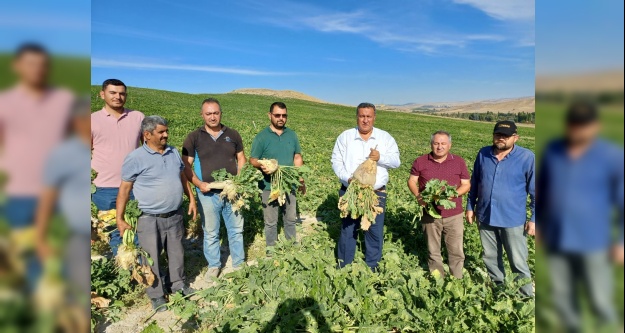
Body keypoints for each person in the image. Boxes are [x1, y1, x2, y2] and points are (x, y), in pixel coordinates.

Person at [537, 101, 623, 333]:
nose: (577, 130)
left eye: (583, 126)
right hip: (557, 237)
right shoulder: (554, 151)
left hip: (593, 240)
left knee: (600, 297)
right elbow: (542, 191)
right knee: (563, 297)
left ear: (595, 127)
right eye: (574, 125)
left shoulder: (612, 156)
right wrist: (539, 223)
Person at [0, 43, 74, 291]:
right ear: (17, 66)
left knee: (59, 251)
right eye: (31, 63)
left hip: (60, 193)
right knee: (25, 250)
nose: (37, 70)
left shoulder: (63, 100)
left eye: (43, 65)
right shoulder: (5, 102)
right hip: (20, 191)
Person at [116, 115, 197, 311]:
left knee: (177, 252)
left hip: (175, 214)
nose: (166, 135)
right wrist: (119, 218)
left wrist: (191, 198)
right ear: (147, 134)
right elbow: (125, 189)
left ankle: (178, 285)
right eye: (161, 132)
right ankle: (156, 294)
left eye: (166, 131)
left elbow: (182, 176)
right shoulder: (135, 158)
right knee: (151, 257)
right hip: (149, 218)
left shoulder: (173, 152)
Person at [35, 97, 91, 322]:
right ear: (76, 122)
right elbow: (47, 196)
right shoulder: (62, 153)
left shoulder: (99, 150)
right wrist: (41, 236)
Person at [466, 120, 535, 297]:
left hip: (512, 219)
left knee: (518, 261)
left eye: (506, 135)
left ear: (516, 137)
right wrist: (470, 206)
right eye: (498, 134)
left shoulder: (527, 157)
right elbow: (475, 183)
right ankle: (499, 292)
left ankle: (524, 297)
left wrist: (535, 219)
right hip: (485, 215)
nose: (501, 138)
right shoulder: (483, 153)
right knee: (490, 257)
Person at [182, 98, 246, 280]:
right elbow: (186, 165)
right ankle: (214, 266)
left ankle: (239, 263)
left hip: (232, 192)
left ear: (221, 113)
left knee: (236, 229)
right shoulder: (193, 137)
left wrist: (239, 179)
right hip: (208, 194)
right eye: (208, 113)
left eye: (216, 113)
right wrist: (198, 183)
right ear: (202, 115)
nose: (212, 117)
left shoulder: (232, 134)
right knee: (210, 231)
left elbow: (241, 158)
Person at [331, 102, 400, 271]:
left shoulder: (385, 138)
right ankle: (344, 265)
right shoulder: (345, 137)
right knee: (348, 229)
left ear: (374, 117)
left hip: (376, 193)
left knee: (374, 231)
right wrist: (347, 178)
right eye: (362, 116)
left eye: (369, 116)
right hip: (350, 191)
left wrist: (380, 157)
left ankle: (372, 267)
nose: (365, 120)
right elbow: (336, 161)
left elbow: (397, 162)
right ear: (357, 117)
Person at [91, 79, 144, 256]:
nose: (118, 97)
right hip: (104, 187)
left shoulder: (138, 117)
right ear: (102, 94)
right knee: (114, 231)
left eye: (121, 93)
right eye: (113, 93)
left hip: (135, 186)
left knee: (137, 227)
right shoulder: (91, 120)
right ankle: (123, 270)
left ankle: (138, 270)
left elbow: (148, 148)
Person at [407, 130, 470, 278]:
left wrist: (454, 194)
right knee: (433, 250)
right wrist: (418, 196)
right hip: (430, 214)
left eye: (443, 143)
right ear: (431, 144)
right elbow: (411, 180)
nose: (439, 147)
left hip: (454, 214)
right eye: (436, 143)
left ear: (449, 145)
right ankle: (437, 279)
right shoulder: (421, 161)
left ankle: (457, 279)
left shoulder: (459, 161)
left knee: (456, 250)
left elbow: (466, 184)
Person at [250, 102, 305, 256]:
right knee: (271, 221)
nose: (281, 118)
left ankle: (291, 248)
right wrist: (263, 165)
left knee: (290, 219)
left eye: (284, 115)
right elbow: (253, 159)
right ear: (270, 115)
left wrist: (300, 179)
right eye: (277, 115)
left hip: (289, 185)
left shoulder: (292, 135)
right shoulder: (261, 137)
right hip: (269, 185)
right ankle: (271, 252)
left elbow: (297, 157)